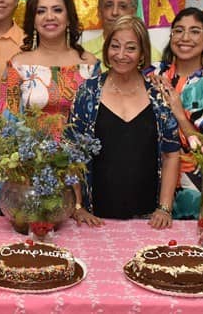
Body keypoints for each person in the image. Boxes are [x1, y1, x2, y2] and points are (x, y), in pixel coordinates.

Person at [67, 15, 181, 229]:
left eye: (130, 48)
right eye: (115, 46)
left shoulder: (158, 95)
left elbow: (171, 154)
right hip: (95, 220)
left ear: (142, 53)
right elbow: (72, 153)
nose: (121, 55)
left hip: (149, 221)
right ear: (106, 49)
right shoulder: (87, 92)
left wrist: (164, 208)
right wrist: (78, 206)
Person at [146, 7, 203, 195]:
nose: (185, 37)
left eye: (195, 31)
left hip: (192, 190)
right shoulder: (151, 76)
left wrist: (180, 115)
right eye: (179, 30)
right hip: (145, 180)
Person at [0, 0, 99, 121]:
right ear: (33, 21)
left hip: (83, 142)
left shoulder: (89, 64)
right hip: (29, 142)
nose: (50, 16)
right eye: (41, 11)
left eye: (57, 10)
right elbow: (7, 125)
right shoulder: (17, 66)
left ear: (69, 18)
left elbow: (99, 117)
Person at [81, 0, 162, 63]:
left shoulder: (152, 56)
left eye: (122, 7)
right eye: (109, 6)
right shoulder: (82, 53)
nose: (115, 12)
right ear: (99, 12)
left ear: (133, 13)